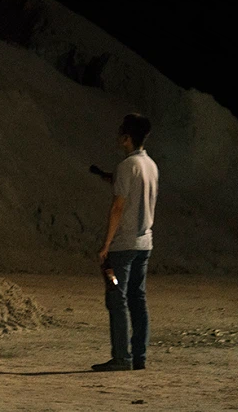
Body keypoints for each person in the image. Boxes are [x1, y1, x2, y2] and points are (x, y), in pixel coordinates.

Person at [91, 113, 157, 372]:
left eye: (120, 132)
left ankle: (122, 357)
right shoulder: (150, 165)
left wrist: (106, 245)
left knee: (116, 298)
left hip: (123, 247)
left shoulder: (126, 166)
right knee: (137, 299)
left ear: (127, 138)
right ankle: (139, 356)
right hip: (144, 244)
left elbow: (118, 206)